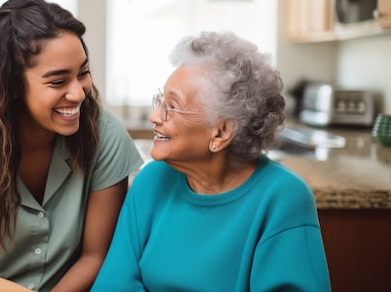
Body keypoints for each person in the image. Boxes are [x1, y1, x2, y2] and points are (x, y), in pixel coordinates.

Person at [0, 0, 143, 292]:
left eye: (83, 73)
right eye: (58, 82)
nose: (78, 93)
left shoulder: (105, 134)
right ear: (10, 86)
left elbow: (95, 257)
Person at [91, 31, 331, 291]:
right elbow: (113, 283)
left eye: (172, 106)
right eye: (160, 101)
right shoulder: (151, 181)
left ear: (221, 132)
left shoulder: (282, 198)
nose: (154, 115)